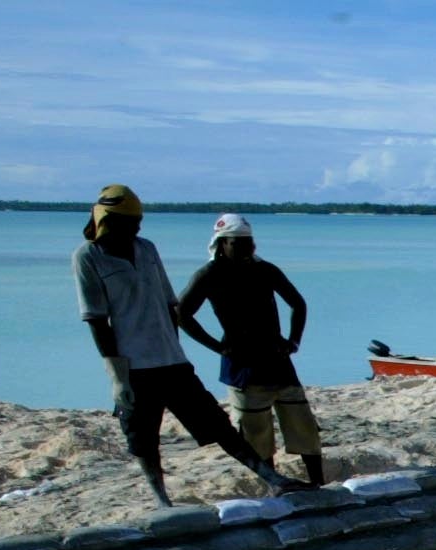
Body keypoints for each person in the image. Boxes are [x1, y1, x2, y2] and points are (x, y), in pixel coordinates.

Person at [71, 183, 303, 506]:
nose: (136, 228)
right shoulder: (88, 258)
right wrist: (117, 376)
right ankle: (161, 499)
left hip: (171, 360)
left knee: (216, 423)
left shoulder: (147, 249)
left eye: (138, 222)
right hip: (134, 365)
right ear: (109, 222)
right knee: (143, 437)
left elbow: (170, 306)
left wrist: (179, 350)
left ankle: (273, 479)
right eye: (129, 223)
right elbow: (97, 321)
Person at [176, 214, 326, 487]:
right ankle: (274, 483)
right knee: (256, 433)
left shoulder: (265, 270)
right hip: (242, 364)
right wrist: (217, 347)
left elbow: (298, 304)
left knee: (302, 424)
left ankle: (318, 481)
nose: (246, 248)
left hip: (277, 360)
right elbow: (182, 314)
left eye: (249, 242)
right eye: (238, 242)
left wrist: (293, 341)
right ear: (222, 243)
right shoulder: (209, 275)